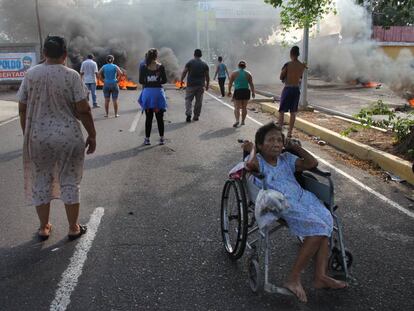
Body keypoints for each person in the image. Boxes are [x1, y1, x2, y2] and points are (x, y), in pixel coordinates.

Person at [242, 122, 347, 303]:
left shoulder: (287, 159)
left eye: (279, 140)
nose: (276, 143)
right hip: (279, 202)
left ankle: (320, 277)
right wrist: (251, 148)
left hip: (302, 197)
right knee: (318, 228)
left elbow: (312, 163)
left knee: (327, 221)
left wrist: (295, 147)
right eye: (270, 140)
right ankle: (293, 279)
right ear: (260, 145)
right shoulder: (259, 161)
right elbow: (250, 164)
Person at [17, 35, 96, 241]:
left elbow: (22, 108)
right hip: (68, 136)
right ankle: (73, 227)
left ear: (43, 53)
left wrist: (28, 133)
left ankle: (44, 228)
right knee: (70, 181)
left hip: (38, 137)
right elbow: (83, 110)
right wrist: (92, 135)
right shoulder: (71, 76)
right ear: (64, 55)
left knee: (41, 180)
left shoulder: (31, 74)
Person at [138, 48, 168, 146]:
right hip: (158, 93)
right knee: (160, 118)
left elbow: (141, 81)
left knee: (149, 118)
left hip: (148, 94)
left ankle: (147, 139)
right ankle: (162, 139)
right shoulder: (160, 66)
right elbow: (164, 81)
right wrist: (157, 80)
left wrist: (149, 80)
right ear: (156, 56)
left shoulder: (143, 67)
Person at [279, 46, 306, 139]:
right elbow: (300, 77)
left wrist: (285, 77)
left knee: (282, 111)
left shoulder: (288, 64)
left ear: (291, 54)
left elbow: (281, 76)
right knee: (293, 112)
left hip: (287, 89)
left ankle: (280, 130)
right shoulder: (302, 66)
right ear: (298, 54)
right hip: (296, 89)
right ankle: (290, 132)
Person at [180, 49, 209, 122]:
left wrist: (181, 80)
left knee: (188, 100)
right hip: (200, 86)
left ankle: (188, 113)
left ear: (194, 54)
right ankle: (196, 116)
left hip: (190, 85)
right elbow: (207, 76)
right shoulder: (204, 64)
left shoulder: (190, 62)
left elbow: (184, 72)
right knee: (198, 101)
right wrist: (207, 85)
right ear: (201, 55)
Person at [228, 60, 255, 128]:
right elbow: (251, 84)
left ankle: (237, 120)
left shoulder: (234, 73)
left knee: (237, 107)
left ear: (238, 66)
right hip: (246, 91)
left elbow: (230, 83)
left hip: (238, 91)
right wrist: (253, 92)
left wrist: (229, 91)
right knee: (244, 107)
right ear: (245, 66)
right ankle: (243, 121)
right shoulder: (248, 74)